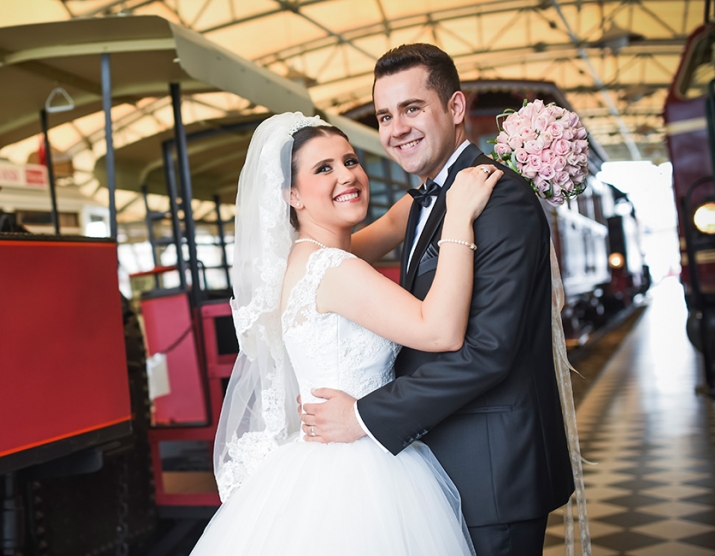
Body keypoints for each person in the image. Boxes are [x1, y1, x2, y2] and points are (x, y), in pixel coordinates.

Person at [299, 44, 575, 556]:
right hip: (435, 466)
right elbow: (334, 257)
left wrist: (362, 415)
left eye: (412, 109)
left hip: (493, 474)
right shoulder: (426, 201)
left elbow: (487, 350)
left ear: (454, 109)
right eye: (385, 115)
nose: (396, 128)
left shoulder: (499, 197)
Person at [188, 111, 502, 556]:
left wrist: (474, 167)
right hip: (361, 463)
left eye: (350, 160)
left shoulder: (307, 256)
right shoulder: (333, 269)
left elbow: (399, 219)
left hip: (320, 457)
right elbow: (440, 331)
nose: (347, 175)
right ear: (292, 196)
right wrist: (458, 220)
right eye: (324, 168)